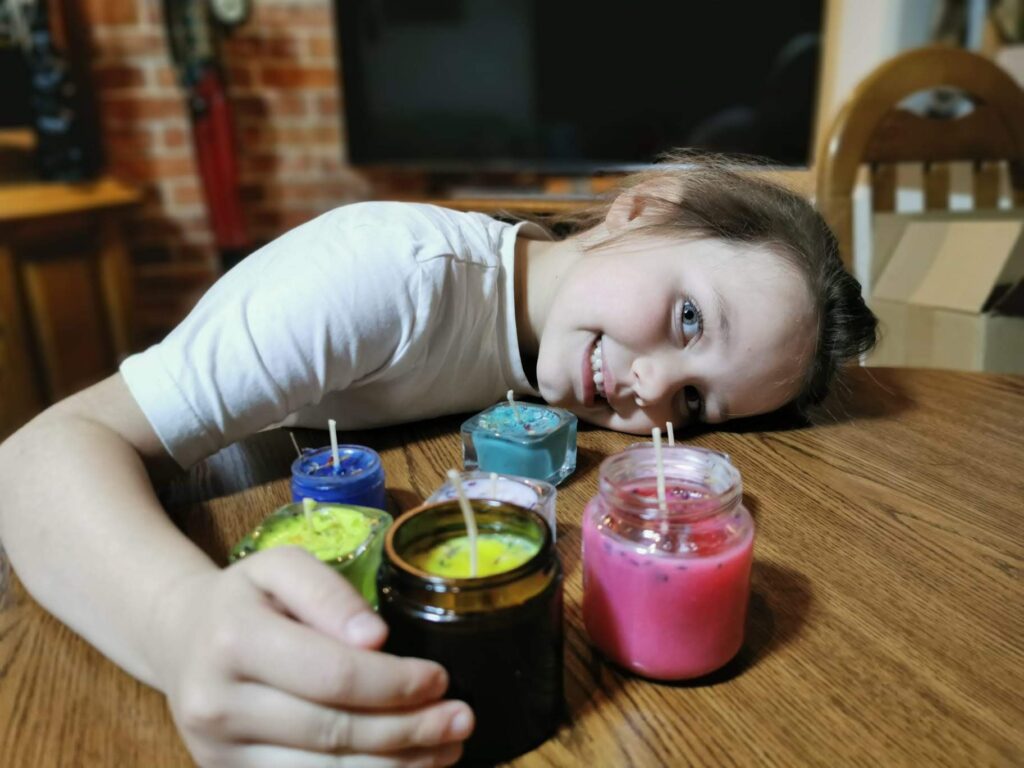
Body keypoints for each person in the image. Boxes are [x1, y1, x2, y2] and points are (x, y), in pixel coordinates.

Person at [0, 152, 876, 767]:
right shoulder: (386, 282)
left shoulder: (559, 341)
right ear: (643, 208)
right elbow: (36, 456)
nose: (650, 390)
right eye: (688, 319)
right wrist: (177, 624)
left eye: (692, 405)